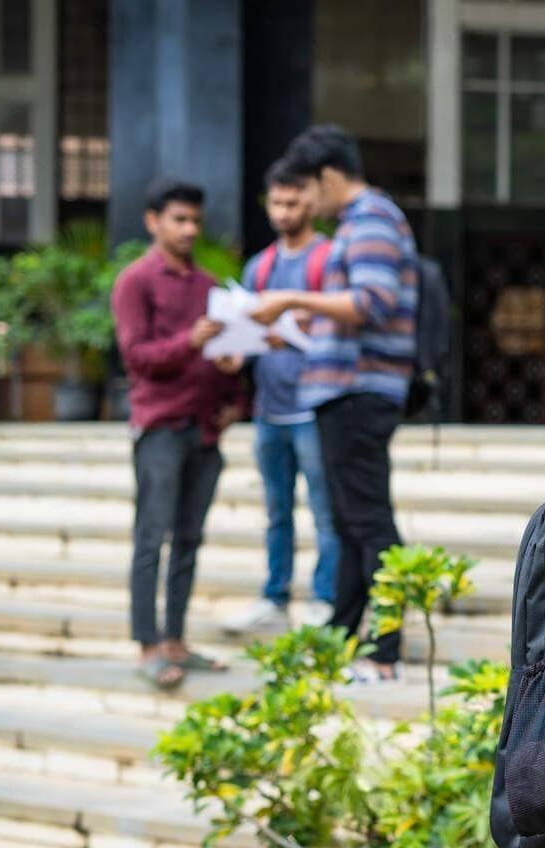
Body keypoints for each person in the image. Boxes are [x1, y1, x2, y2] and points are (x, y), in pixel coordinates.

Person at [249, 125, 418, 682]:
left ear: (326, 178)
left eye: (308, 189)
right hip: (345, 388)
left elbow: (372, 301)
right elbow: (355, 304)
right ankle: (344, 642)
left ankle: (385, 652)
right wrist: (303, 320)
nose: (307, 205)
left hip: (358, 389)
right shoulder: (361, 221)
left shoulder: (370, 218)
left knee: (368, 523)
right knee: (349, 524)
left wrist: (293, 298)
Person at [111, 178, 244, 690]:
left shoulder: (211, 287)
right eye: (178, 220)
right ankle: (148, 645)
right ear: (153, 222)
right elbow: (137, 357)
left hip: (206, 433)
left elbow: (227, 358)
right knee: (152, 538)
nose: (189, 229)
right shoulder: (135, 282)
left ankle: (176, 641)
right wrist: (189, 340)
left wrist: (235, 394)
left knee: (189, 540)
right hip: (160, 430)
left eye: (195, 220)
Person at [222, 159, 340, 635]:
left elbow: (339, 324)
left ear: (310, 203)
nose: (284, 211)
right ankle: (274, 595)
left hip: (315, 406)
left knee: (325, 510)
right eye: (276, 202)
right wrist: (231, 353)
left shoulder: (327, 258)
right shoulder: (261, 266)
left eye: (293, 202)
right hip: (269, 410)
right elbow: (247, 330)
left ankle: (324, 597)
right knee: (276, 510)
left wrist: (291, 332)